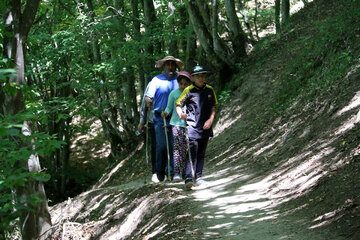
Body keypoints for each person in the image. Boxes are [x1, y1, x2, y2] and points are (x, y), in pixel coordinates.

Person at [176, 65, 217, 189]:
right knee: (192, 151)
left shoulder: (210, 90)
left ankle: (198, 177)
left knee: (201, 152)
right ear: (193, 78)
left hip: (206, 126)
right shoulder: (188, 90)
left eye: (203, 76)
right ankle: (188, 177)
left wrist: (210, 120)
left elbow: (213, 107)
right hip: (192, 126)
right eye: (198, 76)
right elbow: (178, 105)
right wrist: (181, 114)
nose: (201, 78)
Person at [145, 56, 183, 181]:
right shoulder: (156, 80)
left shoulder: (180, 79)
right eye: (168, 65)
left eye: (173, 65)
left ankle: (171, 172)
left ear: (176, 67)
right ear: (164, 66)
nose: (171, 67)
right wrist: (148, 100)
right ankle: (158, 172)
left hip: (176, 116)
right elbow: (148, 96)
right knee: (161, 145)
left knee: (174, 144)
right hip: (160, 116)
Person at [161, 71, 192, 181]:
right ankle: (176, 173)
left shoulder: (191, 93)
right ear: (178, 83)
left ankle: (185, 172)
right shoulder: (174, 94)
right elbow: (169, 108)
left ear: (189, 84)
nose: (183, 86)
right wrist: (165, 113)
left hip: (189, 124)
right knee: (177, 149)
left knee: (186, 149)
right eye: (181, 84)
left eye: (185, 84)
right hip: (176, 124)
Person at [138, 81, 159, 183]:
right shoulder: (153, 83)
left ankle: (171, 171)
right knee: (155, 146)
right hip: (153, 120)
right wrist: (142, 122)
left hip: (171, 120)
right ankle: (155, 172)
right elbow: (144, 104)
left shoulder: (177, 80)